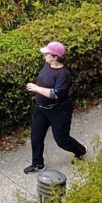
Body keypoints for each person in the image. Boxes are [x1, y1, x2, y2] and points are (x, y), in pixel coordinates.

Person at [23, 41, 87, 174]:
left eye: (47, 53)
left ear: (55, 57)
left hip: (58, 111)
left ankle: (80, 151)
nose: (44, 55)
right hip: (41, 109)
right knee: (36, 137)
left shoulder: (63, 75)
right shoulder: (47, 64)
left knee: (62, 139)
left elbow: (55, 94)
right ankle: (37, 164)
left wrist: (36, 88)